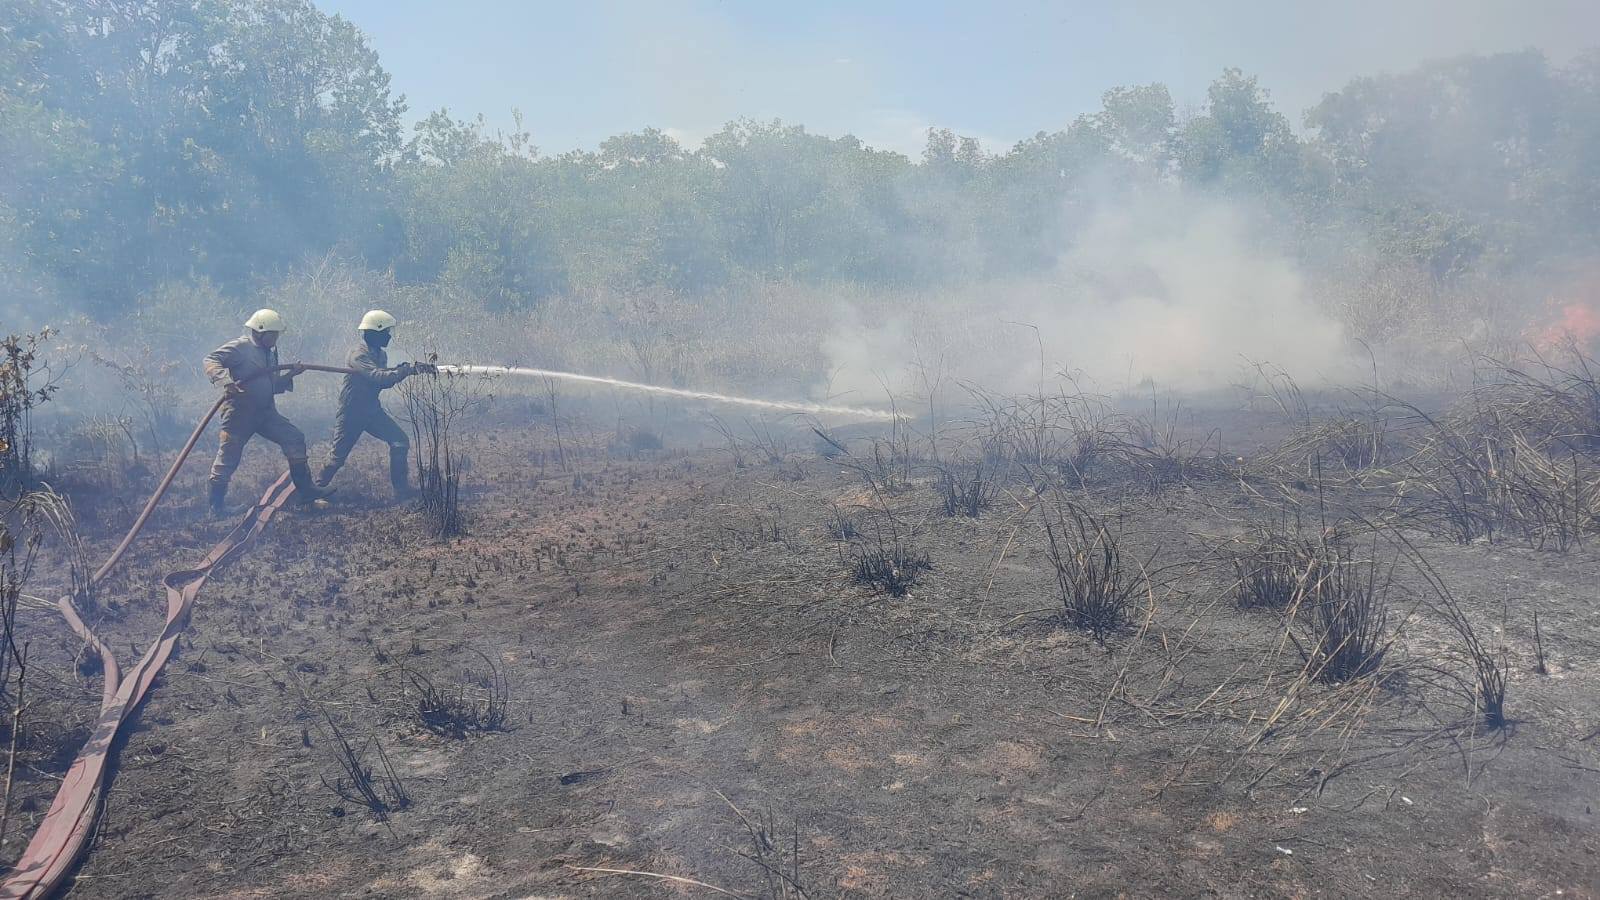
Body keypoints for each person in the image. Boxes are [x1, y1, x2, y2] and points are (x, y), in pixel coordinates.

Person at [203, 309, 333, 516]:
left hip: (265, 413)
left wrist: (291, 374)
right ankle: (216, 508)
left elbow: (273, 386)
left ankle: (306, 491)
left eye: (276, 335)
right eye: (273, 335)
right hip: (239, 414)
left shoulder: (270, 354)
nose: (275, 339)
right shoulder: (241, 347)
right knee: (227, 458)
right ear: (260, 331)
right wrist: (226, 382)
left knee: (294, 438)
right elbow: (210, 360)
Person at [315, 310, 435, 498]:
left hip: (372, 410)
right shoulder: (358, 355)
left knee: (399, 441)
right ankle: (315, 490)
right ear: (374, 333)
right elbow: (378, 377)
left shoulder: (381, 355)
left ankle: (401, 490)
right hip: (352, 412)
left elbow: (383, 381)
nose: (389, 336)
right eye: (385, 332)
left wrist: (408, 370)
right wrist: (405, 371)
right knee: (337, 457)